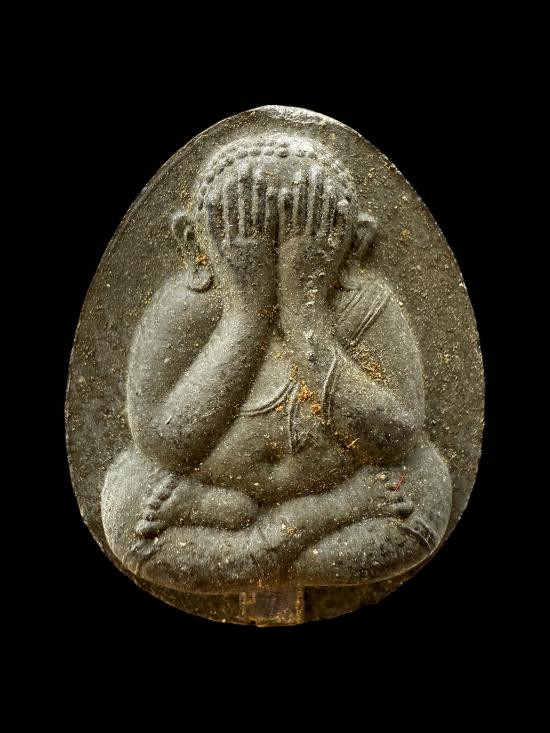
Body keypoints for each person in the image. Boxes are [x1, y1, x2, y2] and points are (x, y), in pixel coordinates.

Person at [102, 133, 452, 593]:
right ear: (194, 239)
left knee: (426, 487)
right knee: (125, 509)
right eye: (247, 225)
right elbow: (163, 443)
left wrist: (304, 311)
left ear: (354, 243)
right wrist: (246, 312)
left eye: (303, 226)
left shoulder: (366, 303)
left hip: (337, 497)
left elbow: (397, 434)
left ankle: (266, 550)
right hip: (210, 499)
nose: (277, 247)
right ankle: (277, 550)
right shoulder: (186, 306)